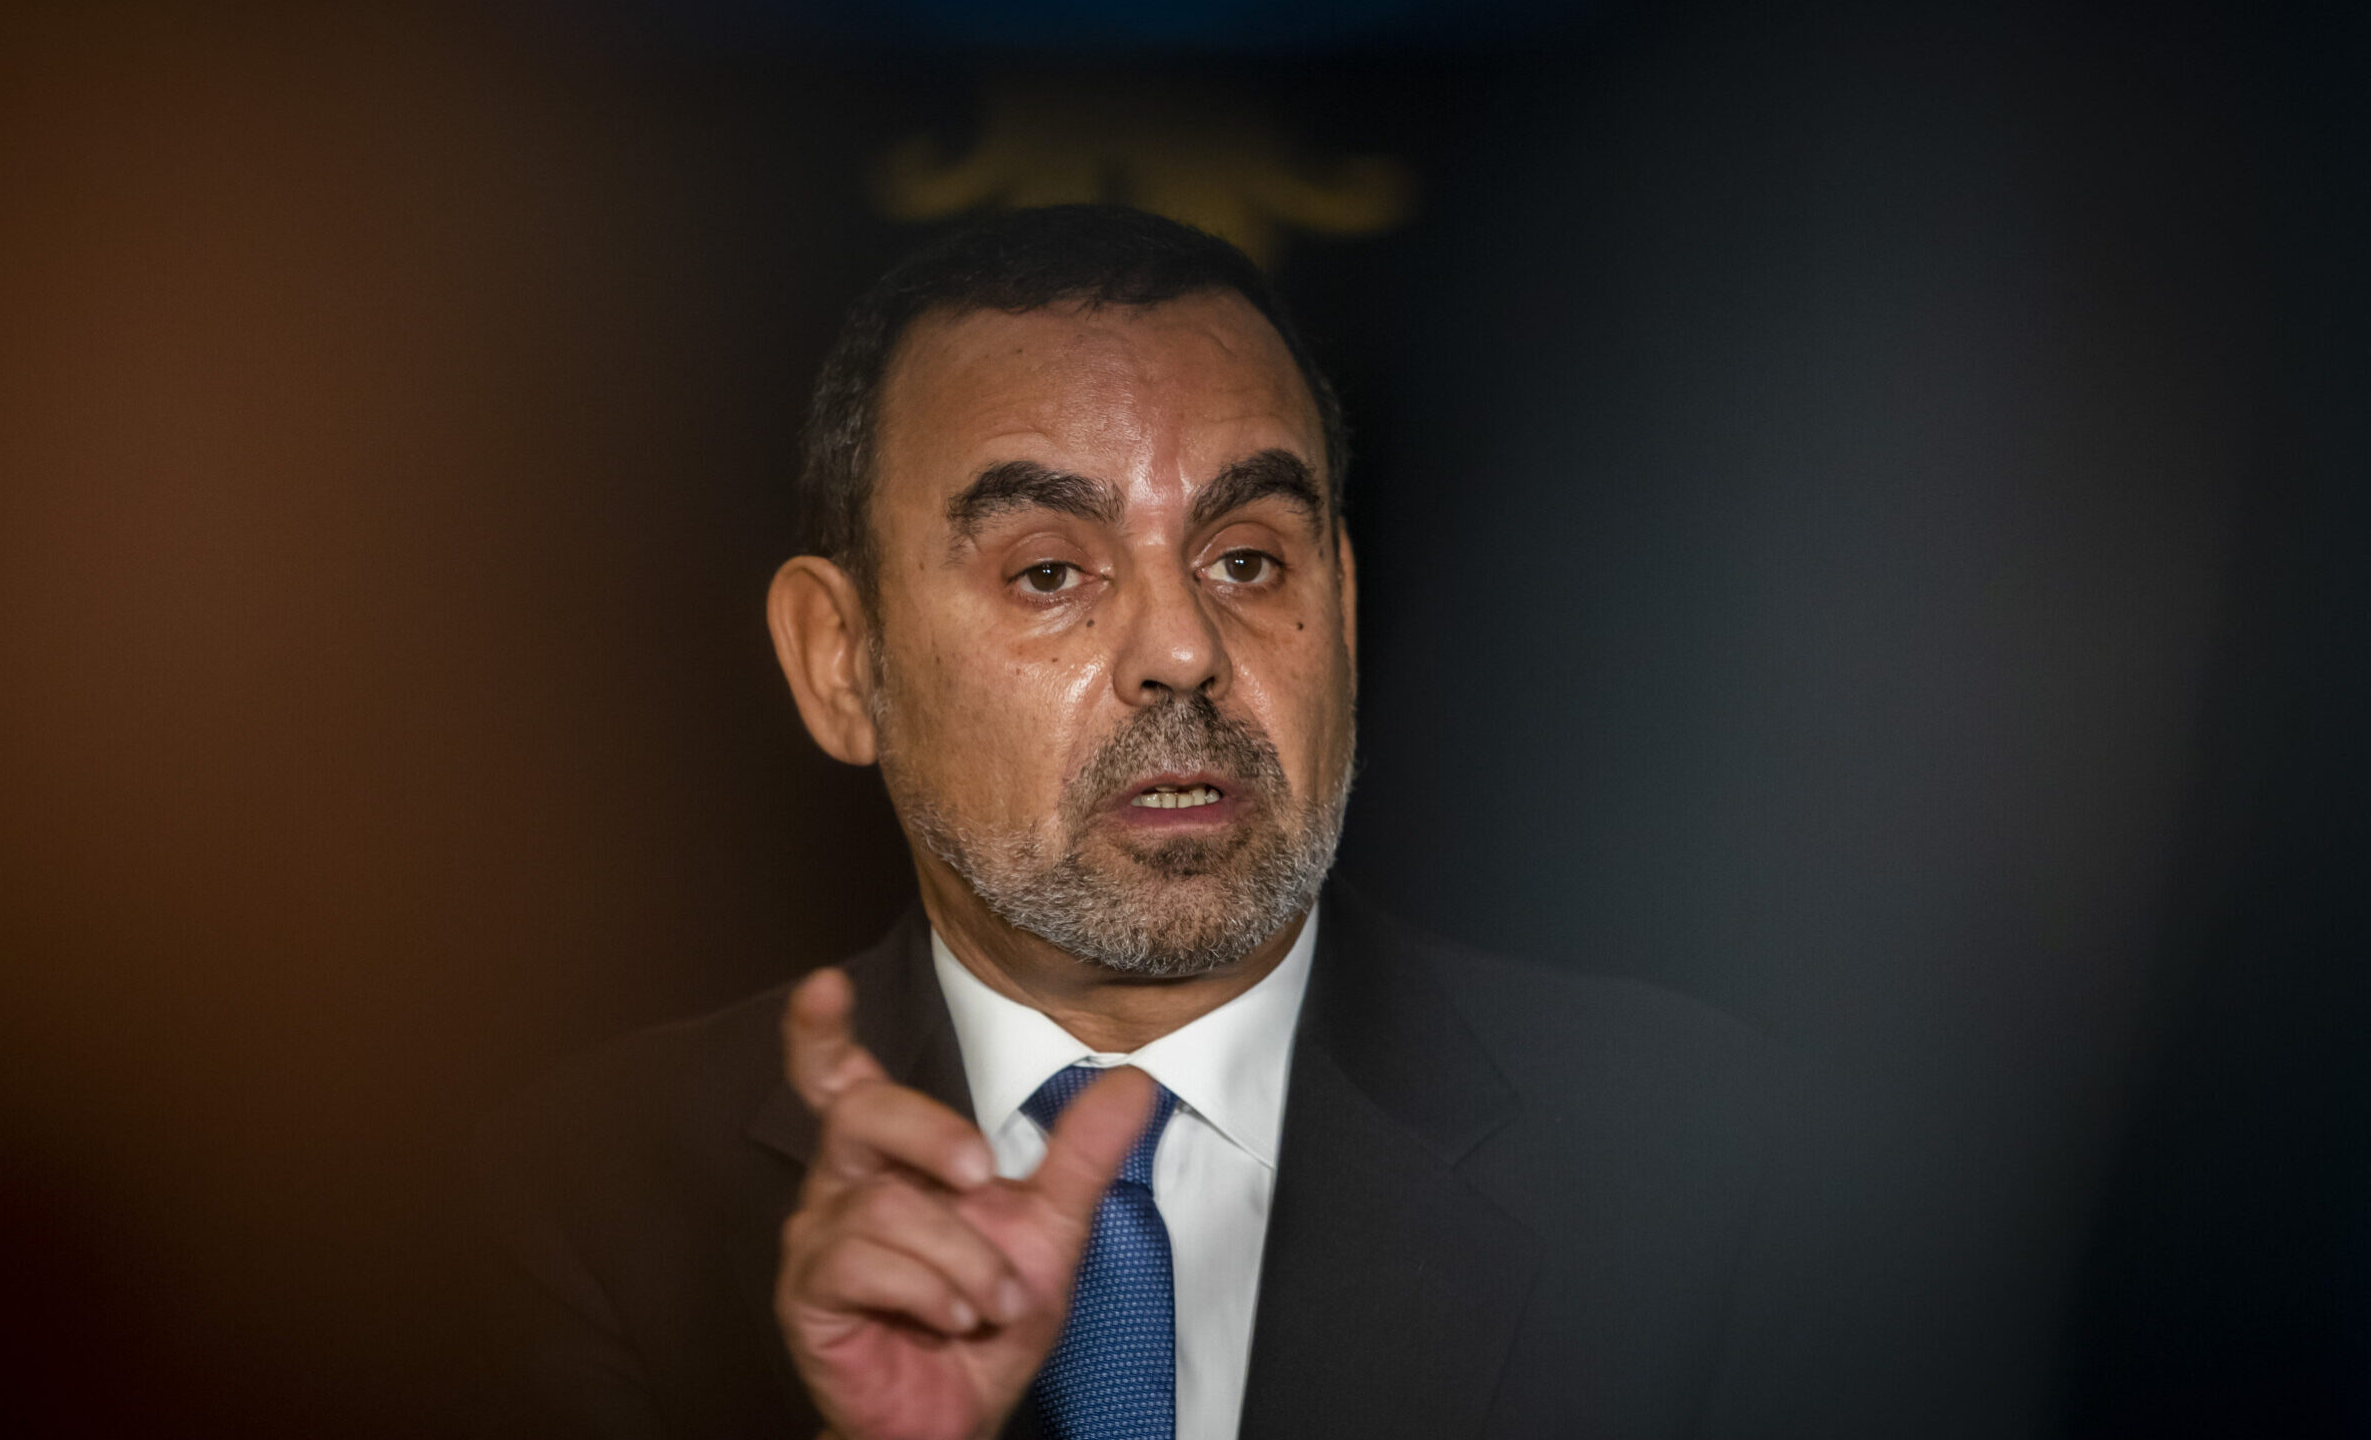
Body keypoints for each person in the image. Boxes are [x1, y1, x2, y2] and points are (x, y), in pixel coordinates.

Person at [484, 205, 1822, 1440]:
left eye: (1247, 559)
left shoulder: (1704, 1161)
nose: (1183, 649)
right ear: (842, 663)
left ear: (1345, 613)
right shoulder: (592, 1203)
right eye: (1049, 572)